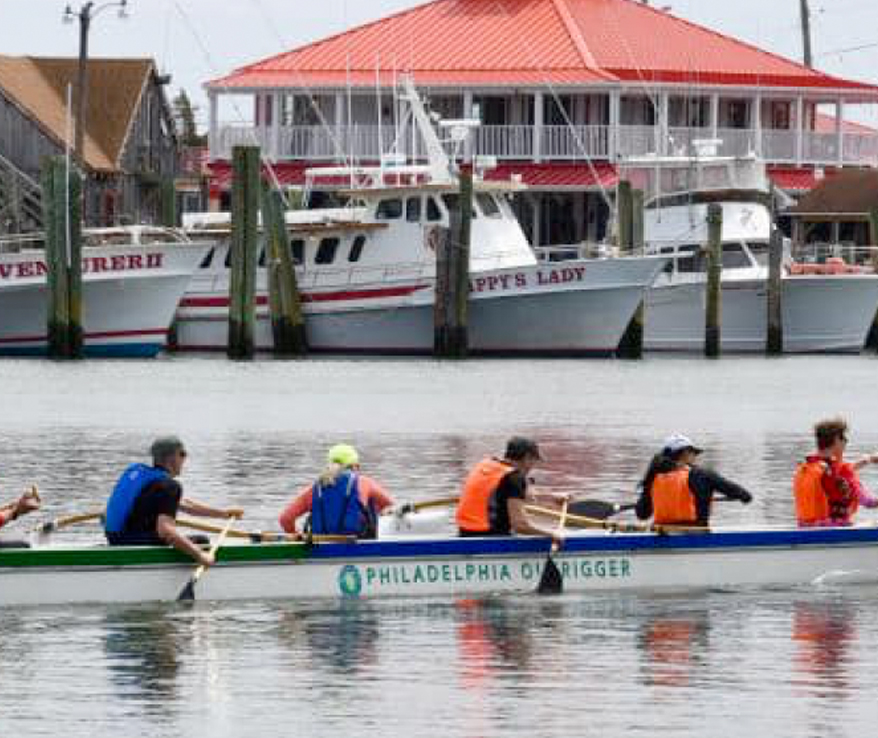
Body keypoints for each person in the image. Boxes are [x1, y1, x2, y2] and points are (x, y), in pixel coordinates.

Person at [105, 436, 243, 565]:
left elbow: (186, 505)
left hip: (114, 538)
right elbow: (166, 531)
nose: (184, 459)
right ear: (172, 459)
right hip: (132, 543)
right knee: (201, 542)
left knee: (184, 541)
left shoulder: (137, 472)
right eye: (182, 454)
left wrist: (223, 514)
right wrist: (201, 555)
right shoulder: (169, 486)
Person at [456, 436, 564, 544]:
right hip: (491, 539)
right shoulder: (514, 477)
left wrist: (551, 497)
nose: (532, 467)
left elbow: (519, 495)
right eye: (534, 461)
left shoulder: (486, 464)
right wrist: (551, 534)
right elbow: (519, 526)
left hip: (464, 533)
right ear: (527, 458)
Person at [634, 434, 752, 527]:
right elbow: (745, 496)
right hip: (694, 534)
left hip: (661, 534)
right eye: (694, 453)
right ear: (685, 453)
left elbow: (642, 514)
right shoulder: (701, 474)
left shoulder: (653, 477)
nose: (695, 456)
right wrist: (741, 496)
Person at [279, 444, 394, 539]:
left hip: (320, 545)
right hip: (357, 544)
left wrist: (296, 535)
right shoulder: (364, 482)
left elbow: (285, 519)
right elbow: (388, 504)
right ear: (355, 466)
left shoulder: (315, 488)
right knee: (370, 505)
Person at [793, 417, 878, 527]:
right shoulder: (841, 472)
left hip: (805, 525)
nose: (846, 441)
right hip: (834, 527)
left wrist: (868, 460)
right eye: (844, 438)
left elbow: (835, 475)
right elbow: (867, 501)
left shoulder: (809, 466)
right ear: (837, 439)